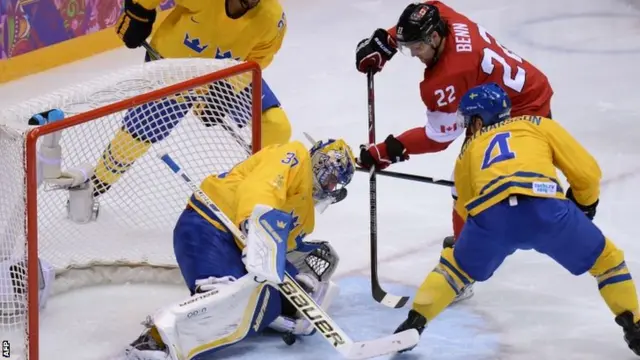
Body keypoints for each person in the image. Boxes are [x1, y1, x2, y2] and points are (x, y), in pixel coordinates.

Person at [393, 83, 640, 356]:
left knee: (453, 269)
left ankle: (413, 323)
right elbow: (586, 173)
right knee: (607, 262)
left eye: (467, 120)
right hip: (545, 206)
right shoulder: (538, 124)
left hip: (491, 217)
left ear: (478, 120)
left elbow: (464, 206)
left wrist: (473, 244)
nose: (467, 128)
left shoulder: (468, 151)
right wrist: (584, 206)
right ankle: (635, 328)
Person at [354, 1, 554, 302]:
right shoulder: (442, 19)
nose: (416, 56)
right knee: (465, 182)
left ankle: (465, 268)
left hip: (521, 113)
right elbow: (429, 5)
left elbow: (439, 138)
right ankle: (473, 243)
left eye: (417, 48)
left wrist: (387, 150)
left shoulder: (446, 77)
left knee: (467, 184)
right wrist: (388, 41)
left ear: (434, 38)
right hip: (514, 95)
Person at [125, 139, 356, 360]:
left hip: (238, 248)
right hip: (209, 225)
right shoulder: (294, 157)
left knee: (267, 302)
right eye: (331, 178)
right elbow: (260, 188)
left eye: (336, 184)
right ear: (320, 163)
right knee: (228, 299)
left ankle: (274, 311)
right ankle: (154, 341)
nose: (331, 187)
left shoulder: (306, 218)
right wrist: (252, 224)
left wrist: (295, 281)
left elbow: (276, 252)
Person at [82, 0, 291, 217]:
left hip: (223, 76)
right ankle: (96, 185)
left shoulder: (271, 18)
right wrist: (139, 10)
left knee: (276, 125)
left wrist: (226, 91)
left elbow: (257, 59)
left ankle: (253, 192)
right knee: (132, 141)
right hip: (171, 71)